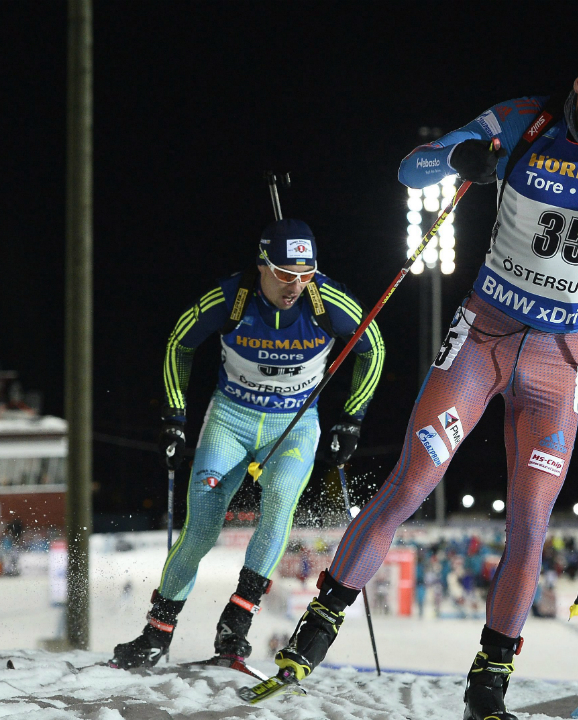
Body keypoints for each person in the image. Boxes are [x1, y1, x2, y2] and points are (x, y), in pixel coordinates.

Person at [272, 36, 578, 719]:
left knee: (531, 524)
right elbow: (413, 171)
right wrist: (460, 157)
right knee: (412, 481)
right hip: (483, 341)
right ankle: (319, 624)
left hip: (557, 363)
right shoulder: (524, 123)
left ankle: (489, 682)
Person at [110, 218, 385, 668]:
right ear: (261, 265)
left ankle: (235, 625)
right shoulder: (230, 298)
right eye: (283, 273)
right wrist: (174, 417)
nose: (295, 285)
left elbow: (372, 346)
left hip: (294, 426)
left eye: (305, 274)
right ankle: (157, 633)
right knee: (200, 530)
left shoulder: (325, 301)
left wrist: (351, 420)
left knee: (279, 501)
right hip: (231, 420)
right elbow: (180, 341)